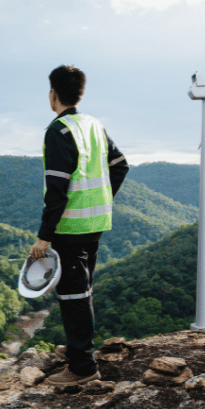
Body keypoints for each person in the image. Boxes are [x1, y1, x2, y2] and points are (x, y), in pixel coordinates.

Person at [29, 65, 129, 386]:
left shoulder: (58, 131)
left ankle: (83, 369)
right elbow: (120, 165)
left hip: (69, 228)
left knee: (73, 295)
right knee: (81, 290)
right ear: (80, 93)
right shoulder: (94, 125)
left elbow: (56, 191)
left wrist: (44, 237)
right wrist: (102, 198)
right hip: (95, 223)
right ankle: (78, 351)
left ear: (53, 95)